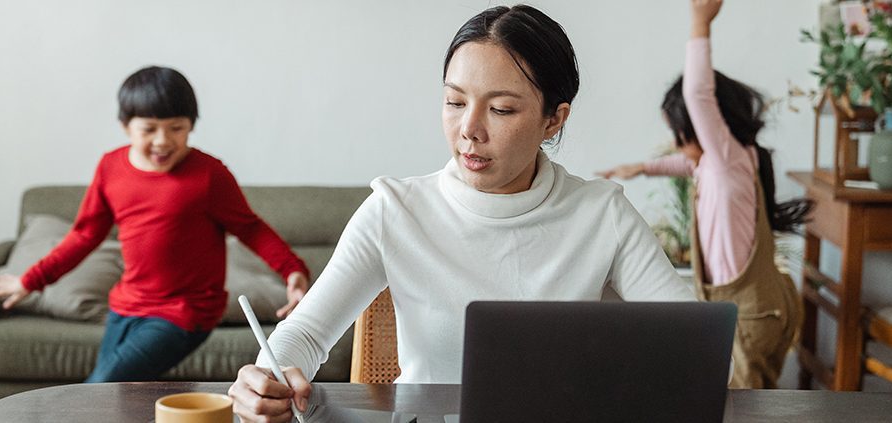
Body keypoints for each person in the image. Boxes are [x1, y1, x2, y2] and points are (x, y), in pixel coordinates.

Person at [228, 5, 696, 421]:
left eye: (502, 109)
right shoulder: (396, 210)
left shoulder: (600, 213)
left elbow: (692, 342)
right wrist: (267, 378)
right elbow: (306, 333)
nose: (468, 130)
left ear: (554, 119)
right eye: (454, 102)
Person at [0, 66, 311, 383]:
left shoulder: (209, 175)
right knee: (117, 398)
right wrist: (31, 280)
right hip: (126, 306)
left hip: (186, 312)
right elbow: (84, 235)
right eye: (149, 129)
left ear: (192, 125)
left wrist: (292, 271)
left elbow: (250, 228)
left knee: (99, 389)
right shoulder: (110, 168)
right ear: (126, 126)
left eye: (176, 128)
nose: (163, 141)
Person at [597, 0, 809, 388]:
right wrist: (642, 167)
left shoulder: (725, 158)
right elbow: (686, 165)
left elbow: (697, 94)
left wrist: (700, 22)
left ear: (703, 127)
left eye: (680, 135)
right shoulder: (727, 163)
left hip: (750, 315)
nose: (677, 147)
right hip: (751, 307)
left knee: (743, 406)